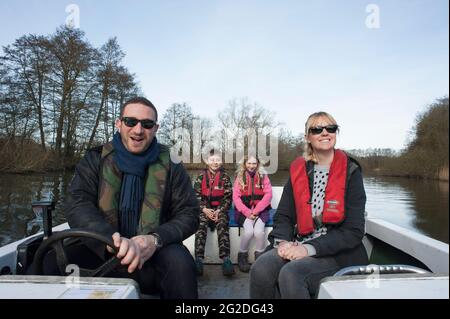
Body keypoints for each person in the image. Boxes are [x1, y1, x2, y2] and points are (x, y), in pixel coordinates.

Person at [55, 97, 199, 299]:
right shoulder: (95, 158)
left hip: (153, 255)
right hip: (101, 252)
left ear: (155, 128)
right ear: (119, 123)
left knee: (181, 266)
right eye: (131, 121)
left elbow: (189, 214)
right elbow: (77, 203)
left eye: (147, 124)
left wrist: (155, 240)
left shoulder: (172, 165)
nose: (138, 130)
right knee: (50, 261)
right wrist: (108, 239)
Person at [250, 112, 368, 299]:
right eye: (316, 129)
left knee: (291, 274)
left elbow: (353, 231)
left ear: (336, 133)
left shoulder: (351, 172)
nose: (324, 132)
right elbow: (284, 216)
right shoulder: (300, 171)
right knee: (261, 268)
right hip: (299, 241)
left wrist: (307, 249)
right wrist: (282, 242)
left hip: (339, 253)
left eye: (330, 128)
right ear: (307, 137)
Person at [193, 152, 235, 276]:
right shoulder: (200, 177)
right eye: (212, 160)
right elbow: (195, 196)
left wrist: (219, 211)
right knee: (200, 225)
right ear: (207, 161)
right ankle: (199, 260)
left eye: (217, 160)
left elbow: (228, 198)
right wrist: (204, 209)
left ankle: (226, 259)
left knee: (223, 225)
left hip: (219, 210)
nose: (215, 162)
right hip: (204, 210)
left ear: (221, 162)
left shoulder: (225, 177)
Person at [232, 155, 273, 272]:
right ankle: (242, 256)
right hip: (243, 211)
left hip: (260, 210)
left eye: (254, 163)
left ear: (258, 164)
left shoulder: (263, 177)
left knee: (259, 232)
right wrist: (248, 212)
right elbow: (236, 198)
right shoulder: (239, 177)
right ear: (245, 164)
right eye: (249, 163)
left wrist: (255, 211)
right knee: (249, 232)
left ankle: (260, 258)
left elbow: (268, 195)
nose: (251, 166)